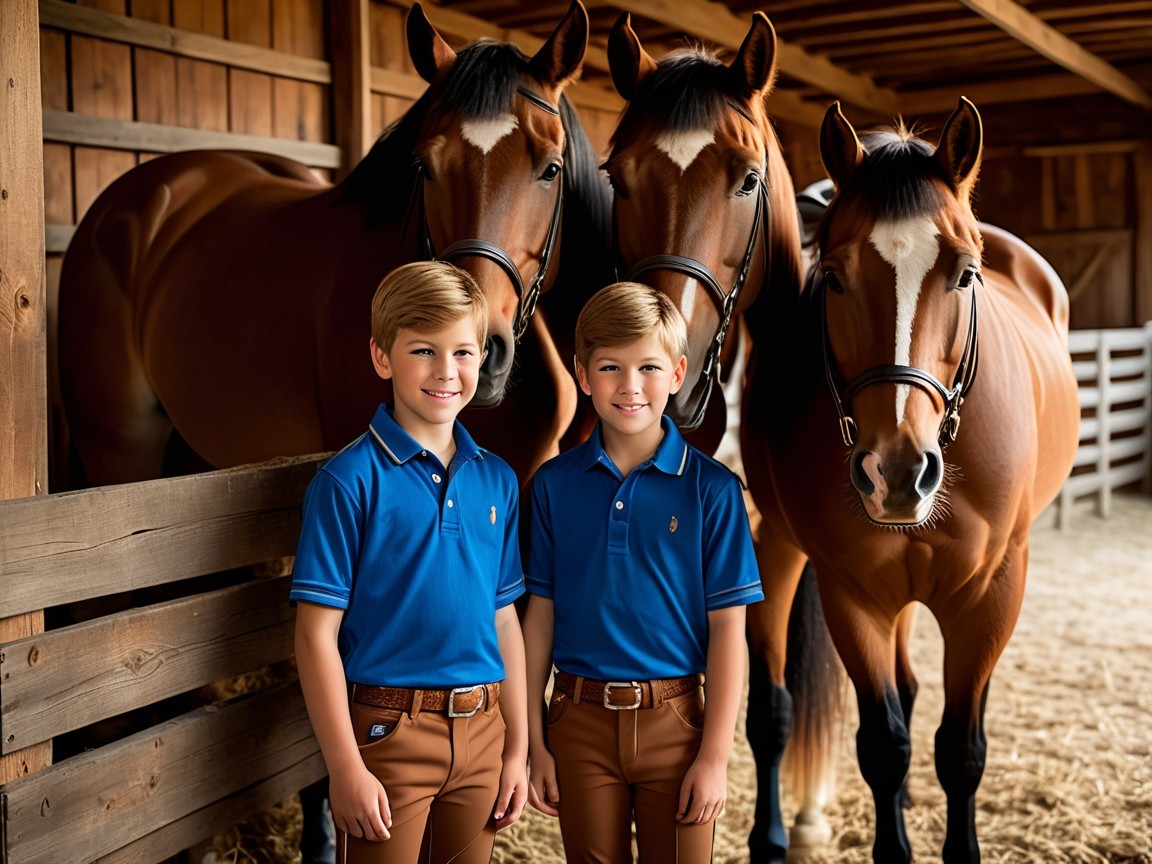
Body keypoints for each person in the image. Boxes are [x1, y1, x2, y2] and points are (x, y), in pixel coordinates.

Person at [290, 260, 528, 864]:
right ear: (381, 357)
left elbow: (505, 622)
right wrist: (344, 768)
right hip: (388, 733)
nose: (446, 372)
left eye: (464, 352)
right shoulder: (347, 483)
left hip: (484, 731)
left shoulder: (497, 480)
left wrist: (518, 748)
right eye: (424, 350)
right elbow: (316, 635)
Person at [523, 282, 764, 863]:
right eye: (610, 367)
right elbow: (539, 619)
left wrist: (714, 758)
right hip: (577, 725)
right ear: (582, 374)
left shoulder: (715, 492)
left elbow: (729, 631)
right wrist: (534, 742)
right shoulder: (553, 487)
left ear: (678, 372)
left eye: (649, 367)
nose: (630, 387)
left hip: (678, 724)